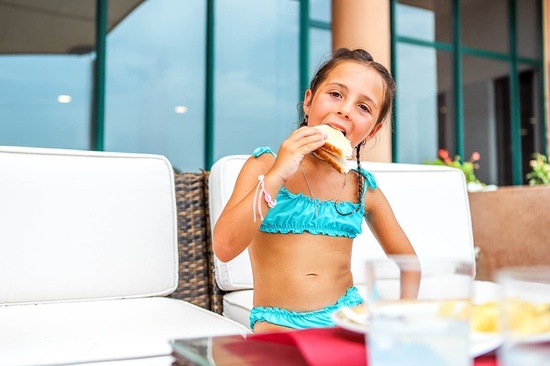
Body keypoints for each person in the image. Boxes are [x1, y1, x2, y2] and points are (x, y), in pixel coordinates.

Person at [213, 48, 417, 333]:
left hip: (349, 317)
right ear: (308, 102)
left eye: (364, 107)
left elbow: (410, 263)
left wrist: (403, 320)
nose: (345, 109)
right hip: (277, 323)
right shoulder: (265, 165)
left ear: (371, 131)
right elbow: (224, 248)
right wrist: (277, 175)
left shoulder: (362, 188)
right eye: (336, 94)